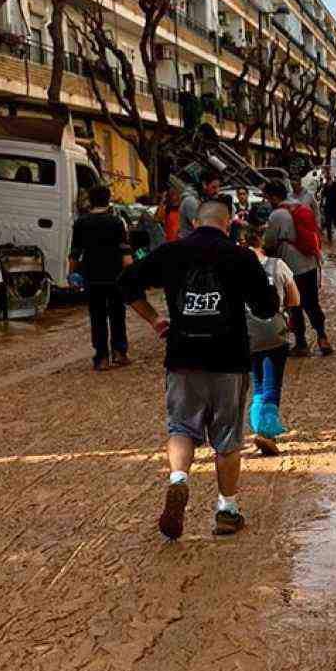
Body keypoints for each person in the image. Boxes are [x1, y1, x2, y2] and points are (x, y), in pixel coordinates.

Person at [121, 200, 280, 539]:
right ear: (228, 225)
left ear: (194, 222)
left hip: (182, 357)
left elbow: (125, 283)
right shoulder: (241, 257)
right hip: (229, 360)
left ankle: (178, 480)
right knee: (226, 438)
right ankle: (227, 510)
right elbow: (267, 308)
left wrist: (154, 319)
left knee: (180, 428)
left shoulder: (171, 251)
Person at [244, 224, 300, 456]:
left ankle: (259, 428)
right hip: (274, 333)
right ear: (261, 242)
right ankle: (266, 433)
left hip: (246, 335)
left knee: (257, 385)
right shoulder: (278, 265)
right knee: (272, 384)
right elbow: (295, 300)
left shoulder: (234, 269)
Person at [263, 179, 333, 357]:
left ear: (273, 197)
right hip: (309, 263)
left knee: (294, 305)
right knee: (312, 303)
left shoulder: (277, 214)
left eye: (267, 198)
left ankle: (301, 344)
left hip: (291, 267)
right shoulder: (301, 207)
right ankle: (323, 337)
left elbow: (269, 243)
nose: (266, 201)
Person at [70, 186, 133, 371]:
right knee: (117, 314)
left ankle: (102, 358)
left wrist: (71, 274)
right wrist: (132, 275)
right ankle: (120, 353)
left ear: (90, 200)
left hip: (91, 276)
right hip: (115, 276)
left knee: (97, 316)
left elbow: (75, 252)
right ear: (108, 199)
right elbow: (125, 252)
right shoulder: (116, 222)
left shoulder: (81, 222)